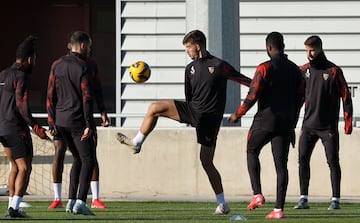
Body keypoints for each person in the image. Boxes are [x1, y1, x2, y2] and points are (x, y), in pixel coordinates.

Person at [116, 29, 251, 215]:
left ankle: (222, 204)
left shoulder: (219, 65)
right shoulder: (190, 69)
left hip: (210, 119)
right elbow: (189, 95)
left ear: (198, 46)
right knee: (155, 108)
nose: (187, 51)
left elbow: (246, 81)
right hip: (192, 109)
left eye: (188, 47)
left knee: (206, 161)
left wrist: (260, 94)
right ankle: (137, 143)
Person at [228, 31, 304, 219]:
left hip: (265, 121)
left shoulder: (264, 67)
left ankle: (258, 194)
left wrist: (238, 114)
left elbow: (253, 94)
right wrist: (292, 124)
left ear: (268, 48)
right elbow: (300, 99)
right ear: (283, 46)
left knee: (251, 150)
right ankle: (279, 209)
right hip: (286, 124)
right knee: (281, 166)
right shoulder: (296, 70)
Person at [48, 36, 110, 210]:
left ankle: (70, 201)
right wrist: (89, 124)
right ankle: (82, 202)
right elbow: (87, 97)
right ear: (83, 45)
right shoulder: (84, 66)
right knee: (88, 160)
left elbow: (50, 95)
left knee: (77, 159)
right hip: (78, 121)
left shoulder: (56, 64)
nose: (90, 50)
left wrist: (51, 122)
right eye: (89, 46)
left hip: (60, 122)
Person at [293, 35, 353, 210]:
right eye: (306, 50)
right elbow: (298, 98)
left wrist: (347, 123)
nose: (309, 54)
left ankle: (336, 199)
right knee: (302, 159)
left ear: (319, 48)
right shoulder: (304, 71)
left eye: (312, 50)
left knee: (333, 161)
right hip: (308, 126)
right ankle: (303, 198)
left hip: (328, 127)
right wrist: (293, 121)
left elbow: (346, 96)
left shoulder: (333, 70)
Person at [0, 35, 49, 218]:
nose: (35, 62)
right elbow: (22, 105)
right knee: (25, 168)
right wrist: (36, 127)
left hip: (3, 127)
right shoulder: (22, 76)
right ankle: (14, 209)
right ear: (30, 59)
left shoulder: (3, 74)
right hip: (15, 128)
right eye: (35, 59)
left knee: (15, 166)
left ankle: (12, 206)